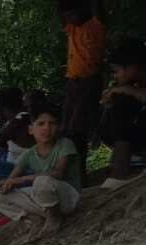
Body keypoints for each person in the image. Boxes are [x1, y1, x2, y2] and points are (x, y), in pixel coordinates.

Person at [0, 104, 82, 233]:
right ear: (31, 129)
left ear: (58, 127)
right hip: (44, 202)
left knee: (42, 181)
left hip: (68, 200)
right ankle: (32, 218)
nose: (47, 128)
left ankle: (54, 217)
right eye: (41, 124)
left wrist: (20, 180)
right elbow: (11, 179)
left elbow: (58, 173)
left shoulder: (65, 144)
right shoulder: (29, 154)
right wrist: (5, 184)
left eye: (52, 123)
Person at [59, 0, 107, 183]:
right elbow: (61, 11)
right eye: (67, 16)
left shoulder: (96, 25)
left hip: (89, 83)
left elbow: (97, 7)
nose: (69, 18)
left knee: (78, 130)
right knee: (66, 130)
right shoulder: (71, 29)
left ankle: (80, 174)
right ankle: (69, 173)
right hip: (72, 83)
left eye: (72, 14)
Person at [99, 38, 146, 189]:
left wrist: (125, 90)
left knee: (123, 101)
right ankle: (126, 163)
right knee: (119, 103)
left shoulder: (133, 88)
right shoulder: (136, 84)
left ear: (132, 67)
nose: (115, 76)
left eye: (116, 71)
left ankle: (120, 172)